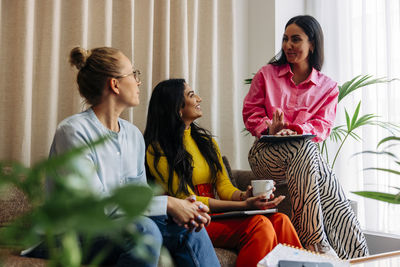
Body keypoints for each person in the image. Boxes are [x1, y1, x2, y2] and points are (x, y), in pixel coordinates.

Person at [25, 46, 220, 267]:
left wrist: (181, 209)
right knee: (143, 231)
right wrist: (167, 204)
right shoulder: (73, 132)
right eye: (133, 74)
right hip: (68, 235)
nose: (138, 82)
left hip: (117, 228)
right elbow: (96, 206)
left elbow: (137, 196)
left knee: (190, 230)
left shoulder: (133, 135)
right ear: (114, 84)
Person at [242, 15, 369, 259]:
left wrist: (296, 131)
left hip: (304, 159)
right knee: (309, 153)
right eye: (285, 39)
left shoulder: (328, 87)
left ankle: (358, 258)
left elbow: (323, 126)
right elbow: (251, 113)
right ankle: (315, 243)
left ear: (312, 44)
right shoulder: (266, 74)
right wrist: (270, 128)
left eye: (296, 39)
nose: (288, 45)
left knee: (308, 154)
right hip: (266, 156)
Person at [144, 79, 303, 267]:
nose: (199, 99)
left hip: (216, 215)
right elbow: (186, 199)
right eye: (191, 95)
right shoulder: (158, 150)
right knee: (259, 225)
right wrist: (243, 204)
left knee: (281, 220)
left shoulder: (206, 143)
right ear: (177, 107)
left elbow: (224, 186)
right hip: (191, 220)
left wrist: (245, 195)